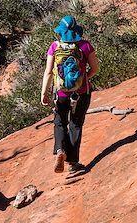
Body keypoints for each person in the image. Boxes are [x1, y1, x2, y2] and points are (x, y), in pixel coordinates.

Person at [40, 15, 98, 175]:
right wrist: (84, 78)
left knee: (59, 122)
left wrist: (44, 92)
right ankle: (73, 163)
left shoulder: (54, 47)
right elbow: (95, 68)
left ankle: (59, 150)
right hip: (81, 92)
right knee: (76, 124)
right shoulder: (85, 45)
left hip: (60, 93)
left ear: (61, 31)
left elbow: (48, 72)